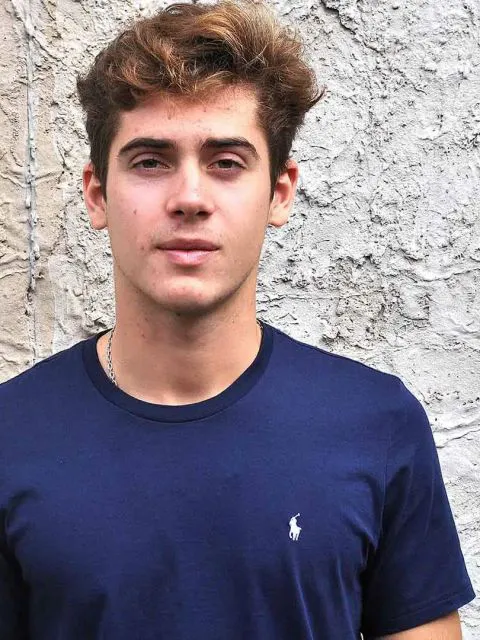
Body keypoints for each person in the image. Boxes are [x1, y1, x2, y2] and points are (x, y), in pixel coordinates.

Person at [0, 1, 475, 638]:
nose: (189, 198)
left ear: (279, 191)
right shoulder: (11, 435)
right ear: (96, 194)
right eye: (150, 161)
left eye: (226, 162)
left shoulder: (377, 424)